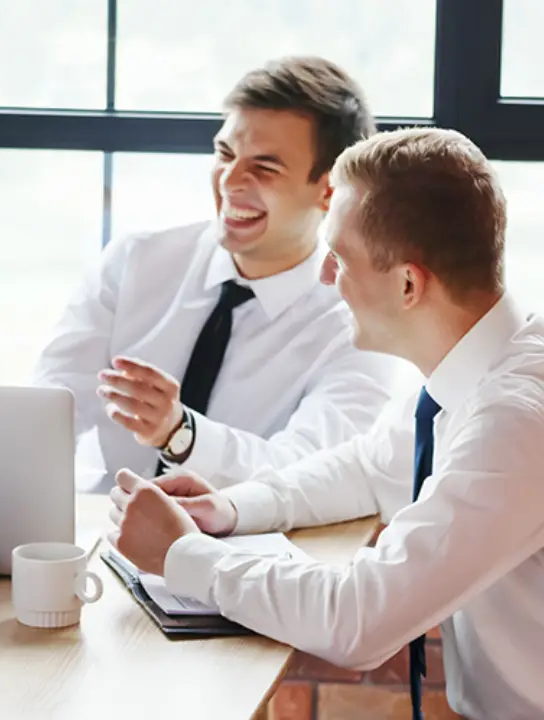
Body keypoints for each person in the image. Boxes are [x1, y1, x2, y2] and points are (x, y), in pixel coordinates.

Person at [109, 127, 544, 719]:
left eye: (337, 257)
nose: (323, 276)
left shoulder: (515, 424)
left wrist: (182, 556)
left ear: (408, 283)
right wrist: (234, 509)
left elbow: (360, 619)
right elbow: (369, 467)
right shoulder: (475, 368)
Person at [32, 56, 403, 493]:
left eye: (265, 168)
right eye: (224, 154)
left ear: (328, 191)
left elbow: (309, 470)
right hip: (106, 526)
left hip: (250, 549)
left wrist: (180, 433)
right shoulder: (135, 262)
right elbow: (51, 409)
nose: (229, 181)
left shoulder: (359, 324)